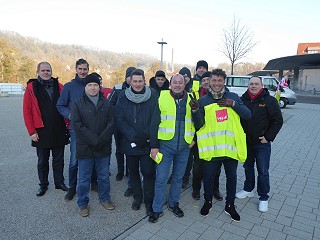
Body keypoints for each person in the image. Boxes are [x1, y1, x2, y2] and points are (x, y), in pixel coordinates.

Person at [190, 68, 251, 222]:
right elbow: (198, 126)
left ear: (224, 81)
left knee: (232, 177)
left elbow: (248, 115)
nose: (217, 83)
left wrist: (234, 105)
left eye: (219, 80)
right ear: (209, 82)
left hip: (229, 148)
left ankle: (230, 205)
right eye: (214, 80)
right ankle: (208, 202)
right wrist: (196, 110)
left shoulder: (233, 97)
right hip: (212, 149)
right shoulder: (203, 101)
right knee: (209, 177)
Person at [149, 74, 195, 223]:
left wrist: (194, 139)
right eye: (174, 82)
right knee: (161, 178)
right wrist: (154, 146)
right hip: (165, 146)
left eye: (180, 82)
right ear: (171, 84)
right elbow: (154, 123)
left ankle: (174, 204)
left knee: (178, 178)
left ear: (184, 84)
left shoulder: (191, 98)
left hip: (184, 147)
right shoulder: (161, 97)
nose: (177, 85)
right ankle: (157, 209)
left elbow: (198, 120)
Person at [115, 69, 160, 215]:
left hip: (147, 142)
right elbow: (119, 120)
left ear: (144, 81)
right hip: (130, 142)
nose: (138, 84)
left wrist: (146, 136)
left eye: (140, 81)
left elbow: (155, 119)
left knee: (148, 172)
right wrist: (134, 136)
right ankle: (137, 197)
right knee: (133, 172)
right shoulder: (123, 96)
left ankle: (148, 201)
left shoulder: (152, 96)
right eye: (135, 81)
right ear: (130, 81)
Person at [236, 76, 283, 212]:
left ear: (261, 85)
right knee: (248, 167)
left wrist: (268, 137)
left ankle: (263, 197)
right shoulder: (242, 100)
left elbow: (277, 121)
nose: (253, 86)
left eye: (256, 84)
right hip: (246, 142)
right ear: (248, 86)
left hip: (262, 143)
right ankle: (248, 189)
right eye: (251, 84)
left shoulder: (269, 101)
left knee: (263, 171)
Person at [72, 73, 115, 217]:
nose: (92, 87)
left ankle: (105, 199)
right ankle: (82, 203)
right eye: (89, 85)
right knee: (84, 178)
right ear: (85, 87)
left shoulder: (107, 103)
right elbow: (77, 125)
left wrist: (101, 139)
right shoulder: (78, 103)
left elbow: (111, 123)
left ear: (99, 86)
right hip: (85, 147)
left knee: (103, 176)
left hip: (103, 147)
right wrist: (94, 140)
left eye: (95, 85)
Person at [23, 62, 68, 196]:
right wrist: (32, 131)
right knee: (43, 160)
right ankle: (43, 185)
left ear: (51, 71)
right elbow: (27, 111)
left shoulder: (60, 86)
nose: (46, 73)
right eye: (43, 70)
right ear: (37, 72)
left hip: (59, 128)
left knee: (59, 159)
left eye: (48, 70)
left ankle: (59, 182)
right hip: (41, 130)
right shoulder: (32, 87)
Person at [57, 58, 90, 201]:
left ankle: (91, 183)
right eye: (80, 69)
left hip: (91, 128)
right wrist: (70, 115)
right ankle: (72, 188)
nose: (83, 71)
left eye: (85, 69)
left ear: (88, 70)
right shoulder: (69, 87)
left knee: (91, 157)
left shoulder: (92, 85)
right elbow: (60, 105)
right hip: (75, 129)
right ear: (76, 69)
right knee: (74, 160)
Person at [108, 66, 135, 197]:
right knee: (119, 149)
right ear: (126, 77)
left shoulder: (138, 88)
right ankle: (120, 171)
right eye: (130, 76)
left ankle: (129, 171)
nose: (132, 79)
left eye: (133, 76)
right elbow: (110, 104)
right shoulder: (118, 88)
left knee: (130, 149)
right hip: (118, 125)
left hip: (131, 127)